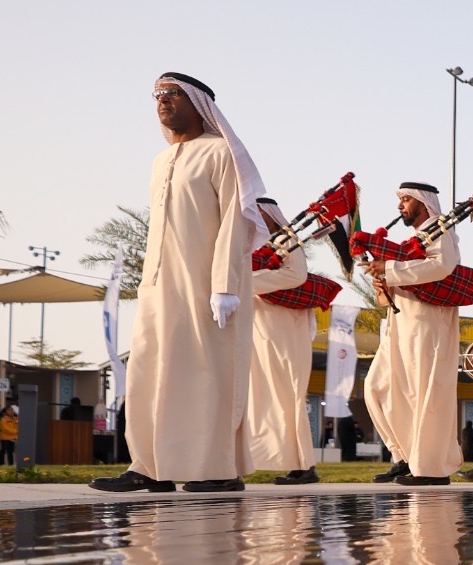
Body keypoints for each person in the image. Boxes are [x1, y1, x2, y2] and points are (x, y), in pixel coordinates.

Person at [91, 73, 263, 494]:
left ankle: (217, 469)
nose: (163, 101)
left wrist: (223, 285)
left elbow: (236, 221)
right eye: (158, 95)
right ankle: (149, 466)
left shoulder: (221, 153)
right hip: (157, 286)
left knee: (205, 374)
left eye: (173, 94)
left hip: (206, 286)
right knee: (150, 371)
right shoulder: (161, 160)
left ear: (199, 103)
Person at [362, 181, 463, 487]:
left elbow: (442, 267)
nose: (400, 206)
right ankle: (404, 457)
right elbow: (397, 281)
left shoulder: (442, 232)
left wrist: (389, 269)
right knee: (375, 388)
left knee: (424, 393)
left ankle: (430, 468)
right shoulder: (412, 241)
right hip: (399, 325)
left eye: (405, 199)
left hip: (427, 325)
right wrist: (383, 283)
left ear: (423, 202)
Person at [248, 197, 319, 485]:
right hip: (261, 327)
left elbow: (296, 275)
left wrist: (244, 280)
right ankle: (285, 460)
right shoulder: (254, 247)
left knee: (290, 393)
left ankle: (305, 466)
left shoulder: (286, 239)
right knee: (265, 396)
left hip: (287, 329)